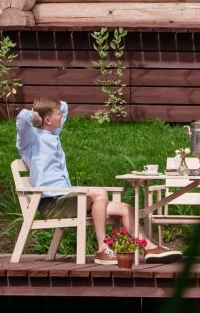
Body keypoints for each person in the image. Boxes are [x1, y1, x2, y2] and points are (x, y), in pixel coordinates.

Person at [15, 99, 134, 263]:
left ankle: (148, 248)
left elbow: (64, 105)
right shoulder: (30, 140)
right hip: (51, 203)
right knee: (99, 193)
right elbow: (22, 117)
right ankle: (103, 248)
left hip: (68, 199)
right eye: (58, 115)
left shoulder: (53, 135)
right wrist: (36, 116)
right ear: (48, 120)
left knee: (125, 208)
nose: (62, 116)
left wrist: (52, 108)